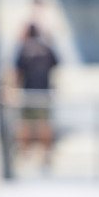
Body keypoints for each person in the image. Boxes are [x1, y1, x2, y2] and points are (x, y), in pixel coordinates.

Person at [12, 23, 59, 163]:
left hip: (29, 92)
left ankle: (24, 153)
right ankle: (46, 153)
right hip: (44, 91)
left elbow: (18, 72)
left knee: (25, 123)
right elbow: (55, 65)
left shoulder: (24, 48)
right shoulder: (46, 48)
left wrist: (14, 90)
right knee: (44, 123)